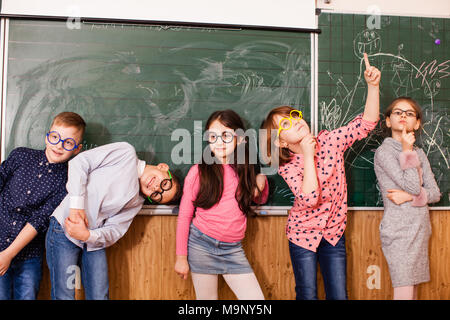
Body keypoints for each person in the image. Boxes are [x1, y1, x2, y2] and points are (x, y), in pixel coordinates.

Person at [260, 53, 380, 299]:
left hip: (334, 233)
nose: (295, 122)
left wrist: (373, 86)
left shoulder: (331, 141)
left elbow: (366, 124)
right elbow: (309, 200)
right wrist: (307, 154)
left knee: (338, 295)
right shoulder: (288, 166)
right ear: (281, 142)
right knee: (308, 294)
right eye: (286, 125)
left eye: (294, 116)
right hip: (302, 235)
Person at [46, 141, 181, 300]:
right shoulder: (126, 153)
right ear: (163, 167)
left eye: (157, 195)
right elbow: (79, 162)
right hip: (64, 228)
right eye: (165, 183)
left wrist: (87, 236)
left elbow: (114, 230)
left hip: (92, 240)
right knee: (64, 295)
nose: (156, 188)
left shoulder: (136, 203)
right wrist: (76, 208)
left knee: (100, 296)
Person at [174, 109, 268, 300]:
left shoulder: (245, 171)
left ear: (240, 139)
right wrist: (181, 258)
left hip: (232, 249)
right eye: (213, 136)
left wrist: (261, 181)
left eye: (226, 135)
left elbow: (257, 199)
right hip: (201, 245)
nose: (219, 142)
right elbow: (184, 215)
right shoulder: (199, 172)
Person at [0, 112, 86, 300]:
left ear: (77, 149)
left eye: (68, 142)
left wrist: (8, 254)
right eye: (55, 137)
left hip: (28, 256)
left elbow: (39, 221)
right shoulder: (21, 156)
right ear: (47, 136)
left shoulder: (68, 182)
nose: (59, 146)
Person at [374, 97, 441, 300]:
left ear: (417, 123)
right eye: (398, 112)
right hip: (398, 231)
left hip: (419, 229)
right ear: (387, 121)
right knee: (403, 292)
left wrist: (410, 197)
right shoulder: (384, 152)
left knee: (411, 292)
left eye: (409, 113)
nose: (403, 116)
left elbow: (435, 193)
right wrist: (406, 150)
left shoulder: (419, 153)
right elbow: (412, 185)